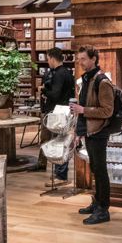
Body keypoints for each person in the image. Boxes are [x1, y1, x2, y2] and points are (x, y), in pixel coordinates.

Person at [69, 45, 114, 225]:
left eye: (84, 59)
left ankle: (103, 209)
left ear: (94, 59)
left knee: (100, 170)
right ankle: (97, 203)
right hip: (90, 131)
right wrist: (79, 131)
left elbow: (107, 111)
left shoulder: (102, 82)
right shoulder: (87, 79)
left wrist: (83, 110)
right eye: (79, 59)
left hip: (99, 132)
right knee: (95, 168)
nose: (80, 62)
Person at [38, 47, 76, 184]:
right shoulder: (66, 73)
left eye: (48, 59)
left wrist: (44, 91)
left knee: (59, 143)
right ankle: (60, 174)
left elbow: (55, 94)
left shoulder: (59, 74)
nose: (48, 62)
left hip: (59, 114)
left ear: (53, 58)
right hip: (63, 112)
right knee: (60, 142)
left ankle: (61, 176)